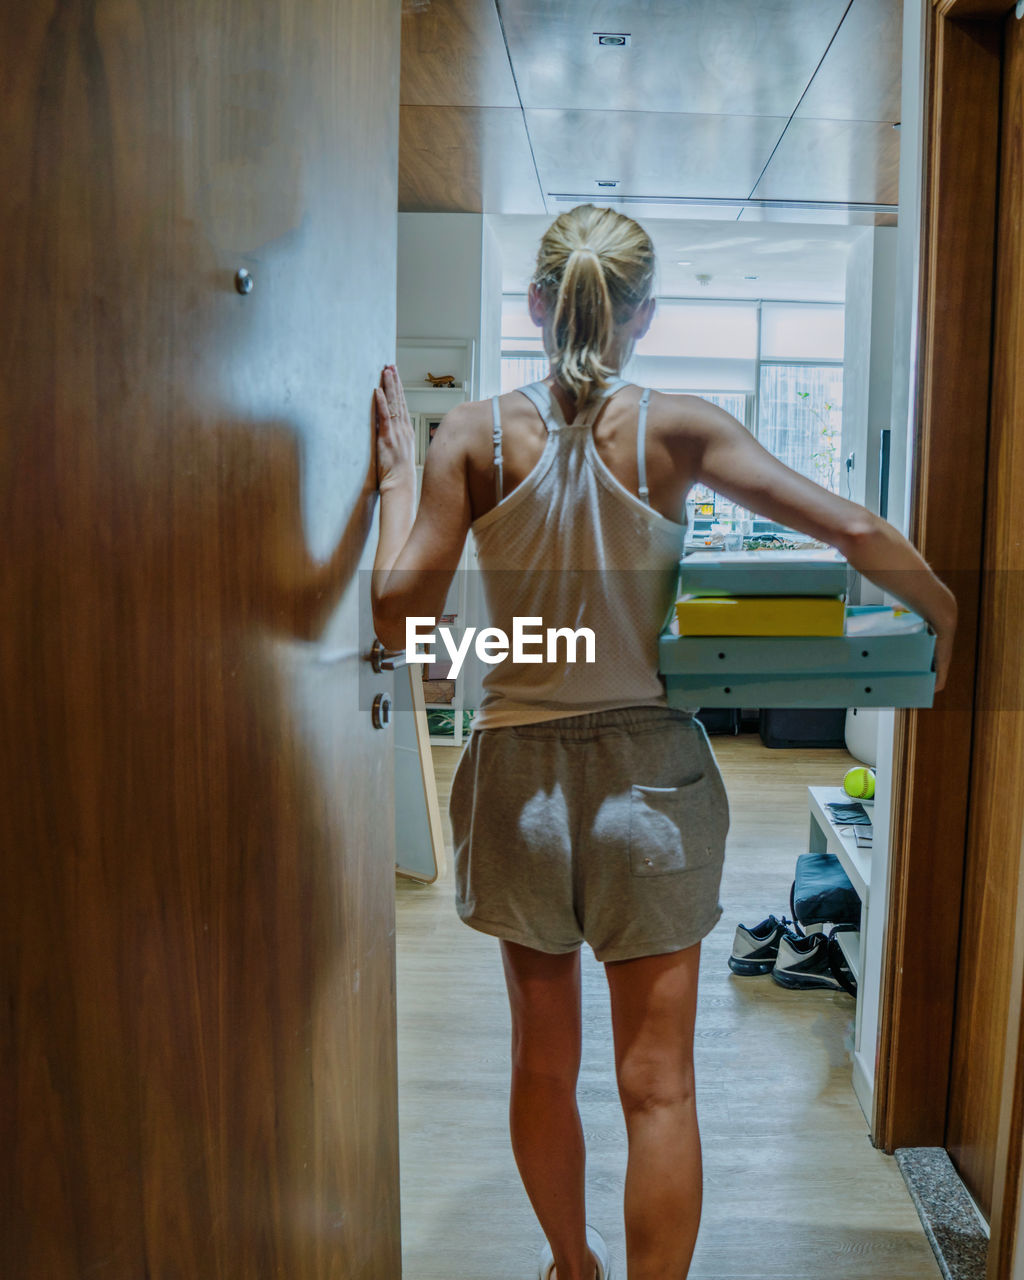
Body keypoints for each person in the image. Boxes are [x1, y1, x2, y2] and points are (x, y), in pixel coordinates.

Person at [371, 203, 957, 1280]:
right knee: (661, 1083)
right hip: (652, 781)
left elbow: (404, 604)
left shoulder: (472, 436)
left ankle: (570, 1264)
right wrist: (947, 615)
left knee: (543, 1065)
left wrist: (402, 480)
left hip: (515, 782)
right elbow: (855, 530)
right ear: (642, 314)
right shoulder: (677, 428)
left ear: (538, 305)